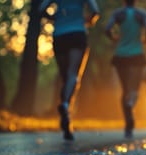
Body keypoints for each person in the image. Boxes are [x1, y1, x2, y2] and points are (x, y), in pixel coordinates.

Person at [39, 0, 100, 140]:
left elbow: (41, 9)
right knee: (73, 74)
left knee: (65, 77)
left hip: (59, 35)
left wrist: (55, 17)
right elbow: (95, 11)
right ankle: (66, 105)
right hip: (77, 33)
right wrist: (87, 21)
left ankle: (67, 115)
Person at [105, 0, 146, 138]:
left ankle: (128, 122)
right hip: (137, 53)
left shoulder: (118, 14)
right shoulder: (141, 14)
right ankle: (131, 107)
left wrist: (114, 38)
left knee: (125, 89)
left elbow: (107, 29)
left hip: (121, 54)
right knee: (134, 88)